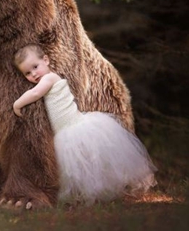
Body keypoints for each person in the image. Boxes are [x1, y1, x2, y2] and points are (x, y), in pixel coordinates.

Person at [13, 44, 157, 205]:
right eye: (27, 73)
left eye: (35, 67)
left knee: (86, 162)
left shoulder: (49, 78)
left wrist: (17, 104)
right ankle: (87, 195)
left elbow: (35, 93)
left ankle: (99, 191)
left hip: (73, 128)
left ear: (45, 60)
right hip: (65, 130)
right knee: (80, 166)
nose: (34, 74)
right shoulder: (45, 78)